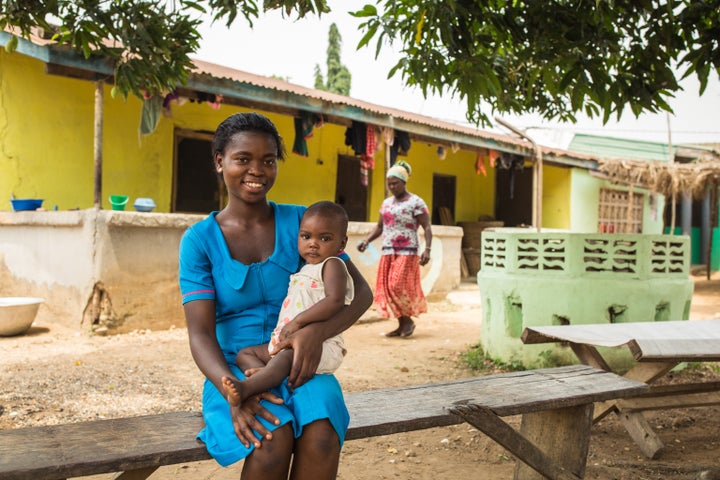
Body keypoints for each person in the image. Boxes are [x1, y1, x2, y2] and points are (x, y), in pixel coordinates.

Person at [178, 112, 372, 479]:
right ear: (220, 161)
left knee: (322, 436)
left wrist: (315, 332)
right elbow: (200, 334)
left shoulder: (304, 224)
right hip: (237, 367)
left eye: (268, 161)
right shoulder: (199, 241)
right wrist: (231, 392)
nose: (257, 170)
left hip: (302, 362)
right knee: (271, 439)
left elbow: (360, 292)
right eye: (243, 159)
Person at [221, 200, 354, 408]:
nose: (313, 243)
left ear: (342, 244)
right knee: (246, 353)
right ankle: (263, 377)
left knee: (284, 360)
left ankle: (247, 387)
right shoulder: (306, 269)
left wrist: (299, 322)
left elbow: (335, 300)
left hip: (319, 345)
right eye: (306, 236)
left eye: (325, 238)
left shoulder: (333, 265)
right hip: (288, 342)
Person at [356, 160, 432, 338]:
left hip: (408, 250)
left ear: (404, 182)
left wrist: (427, 249)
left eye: (395, 183)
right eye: (389, 183)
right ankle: (402, 324)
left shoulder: (416, 202)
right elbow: (380, 227)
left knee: (397, 285)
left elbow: (427, 227)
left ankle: (408, 321)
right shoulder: (387, 203)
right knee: (387, 288)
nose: (392, 186)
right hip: (388, 250)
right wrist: (366, 241)